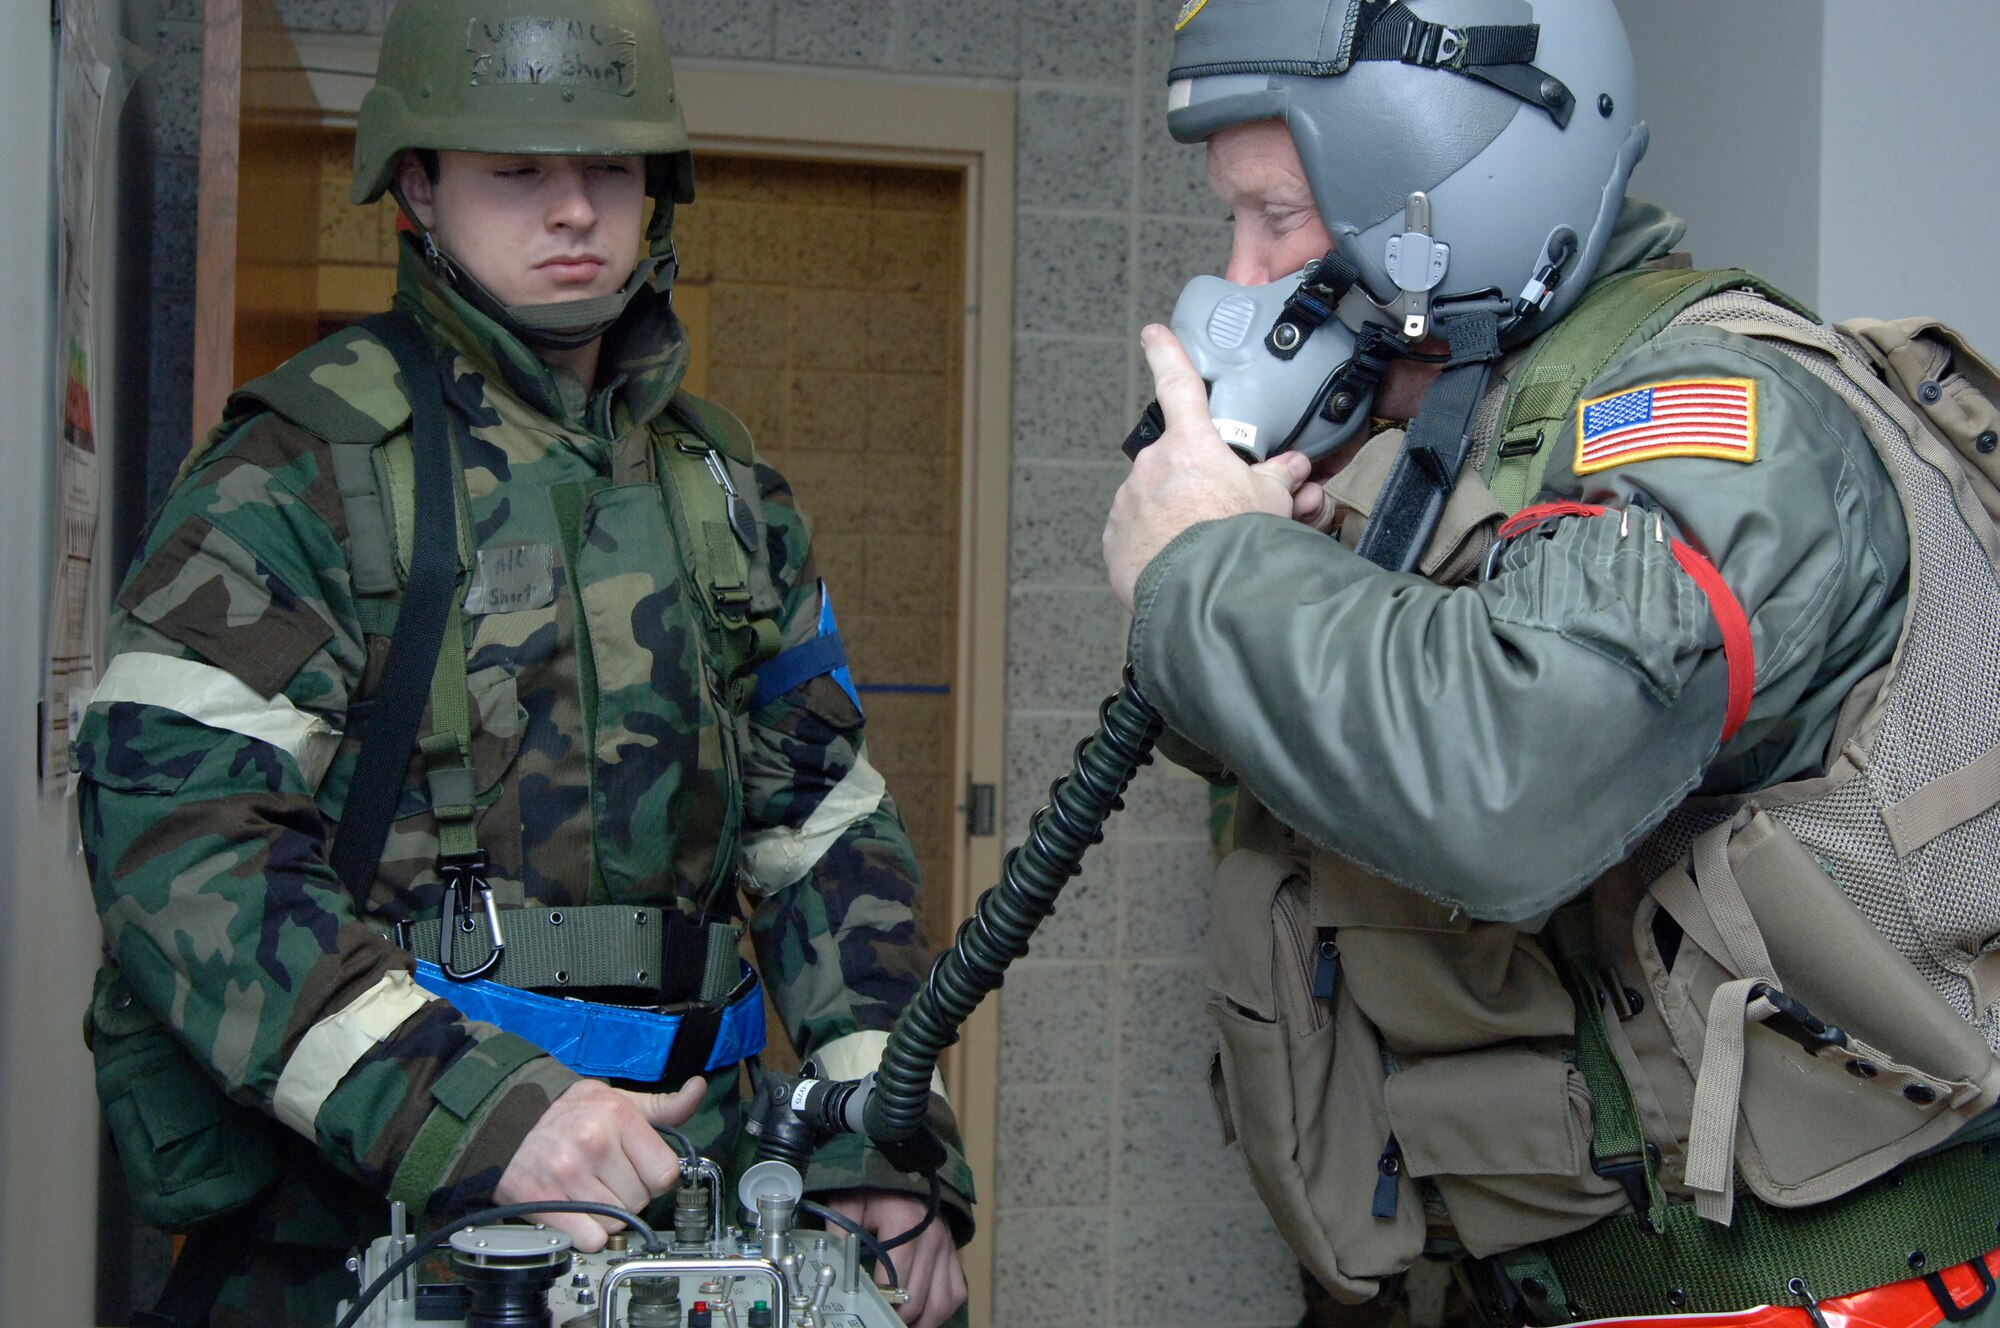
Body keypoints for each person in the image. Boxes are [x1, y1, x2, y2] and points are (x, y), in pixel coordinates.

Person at [75, 2, 971, 1325]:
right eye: (518, 171)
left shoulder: (725, 488)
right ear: (420, 187)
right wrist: (472, 1112)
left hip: (683, 1220)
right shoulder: (296, 470)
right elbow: (177, 842)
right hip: (363, 1232)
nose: (572, 211)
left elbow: (820, 830)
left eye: (609, 169)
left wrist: (887, 1145)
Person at [1105, 1, 2000, 1324]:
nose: (1243, 281)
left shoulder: (1720, 425)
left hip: (1801, 1296)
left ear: (1454, 202)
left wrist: (1210, 574)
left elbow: (1508, 779)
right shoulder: (1480, 443)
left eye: (1279, 221)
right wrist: (1270, 563)